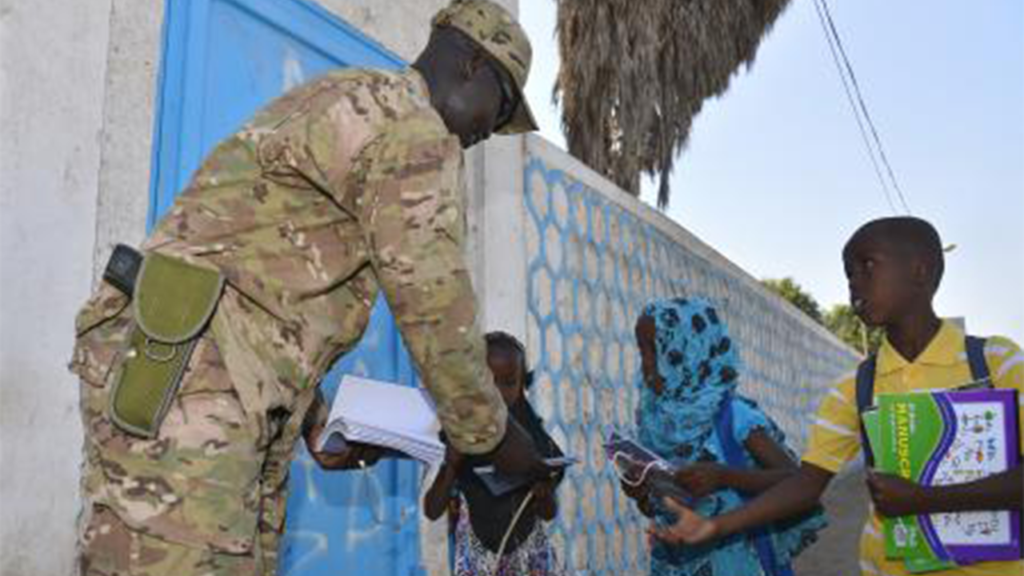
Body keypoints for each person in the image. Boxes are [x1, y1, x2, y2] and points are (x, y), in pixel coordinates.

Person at [69, 2, 547, 574]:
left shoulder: (347, 95)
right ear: (472, 64)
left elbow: (260, 278)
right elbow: (434, 305)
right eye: (500, 112)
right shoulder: (414, 129)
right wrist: (495, 436)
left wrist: (317, 420)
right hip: (198, 399)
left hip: (196, 381)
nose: (486, 133)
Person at [650, 217, 1024, 576]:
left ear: (919, 271)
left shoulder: (994, 363)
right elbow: (806, 484)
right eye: (849, 274)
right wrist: (714, 527)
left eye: (867, 266)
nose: (854, 284)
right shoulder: (856, 386)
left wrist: (926, 499)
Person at [618, 298, 825, 576]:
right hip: (679, 563)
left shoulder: (735, 415)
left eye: (657, 350)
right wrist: (644, 492)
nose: (647, 364)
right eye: (642, 351)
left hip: (741, 562)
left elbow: (796, 480)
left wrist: (725, 476)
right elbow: (667, 502)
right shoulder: (655, 421)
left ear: (689, 351)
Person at [424, 331, 567, 576]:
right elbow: (432, 509)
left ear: (522, 385)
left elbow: (549, 513)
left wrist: (543, 493)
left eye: (509, 382)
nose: (498, 393)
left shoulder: (535, 440)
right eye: (489, 383)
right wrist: (451, 465)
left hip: (527, 556)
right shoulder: (461, 434)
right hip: (477, 556)